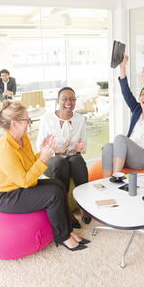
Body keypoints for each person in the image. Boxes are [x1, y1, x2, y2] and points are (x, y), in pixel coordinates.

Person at [0, 100, 88, 251]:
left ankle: (68, 230)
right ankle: (62, 237)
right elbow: (26, 181)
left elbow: (29, 167)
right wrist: (43, 158)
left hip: (19, 186)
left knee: (58, 184)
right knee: (53, 194)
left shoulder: (23, 138)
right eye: (25, 119)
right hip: (6, 195)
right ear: (14, 123)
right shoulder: (5, 149)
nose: (29, 122)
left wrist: (42, 152)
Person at [36, 87, 91, 227]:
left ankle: (83, 206)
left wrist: (79, 150)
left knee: (77, 160)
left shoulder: (80, 119)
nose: (69, 102)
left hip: (71, 158)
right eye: (65, 99)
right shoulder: (47, 119)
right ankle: (65, 209)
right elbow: (39, 148)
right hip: (51, 160)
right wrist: (53, 150)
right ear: (58, 101)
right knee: (61, 162)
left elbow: (82, 146)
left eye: (72, 99)